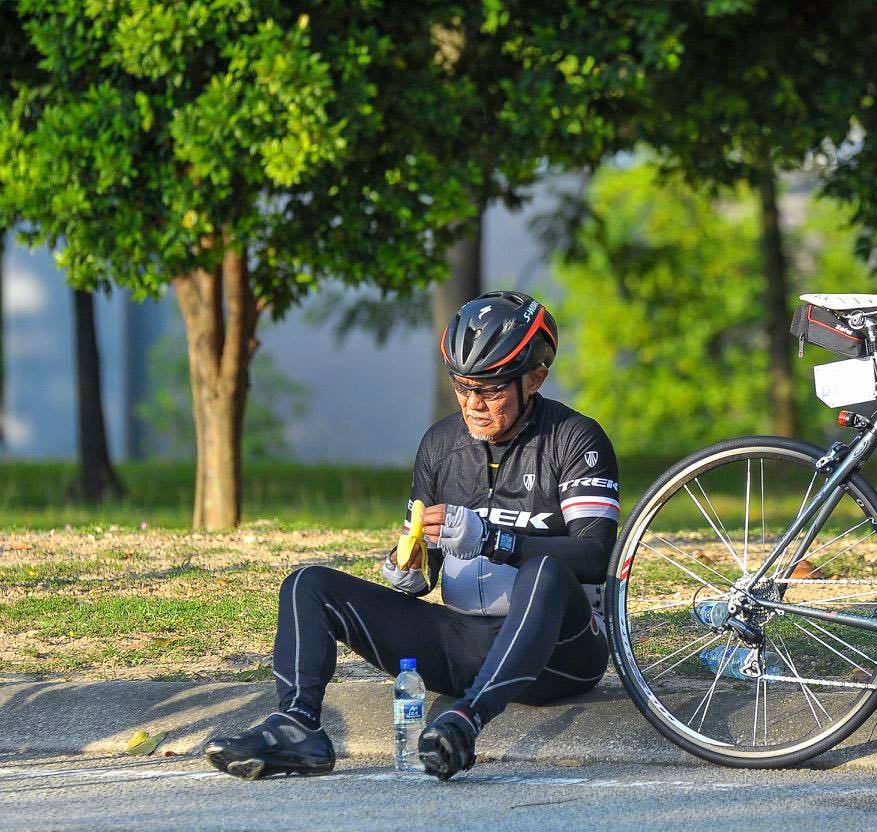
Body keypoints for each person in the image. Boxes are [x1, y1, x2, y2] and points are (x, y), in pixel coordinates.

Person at [204, 291, 619, 781]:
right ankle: (296, 726)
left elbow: (593, 554)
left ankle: (466, 721)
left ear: (535, 378)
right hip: (463, 642)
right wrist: (409, 569)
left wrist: (494, 540)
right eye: (462, 386)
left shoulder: (575, 438)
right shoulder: (439, 445)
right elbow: (427, 570)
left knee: (545, 571)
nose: (473, 404)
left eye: (490, 390)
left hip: (561, 654)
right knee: (307, 585)